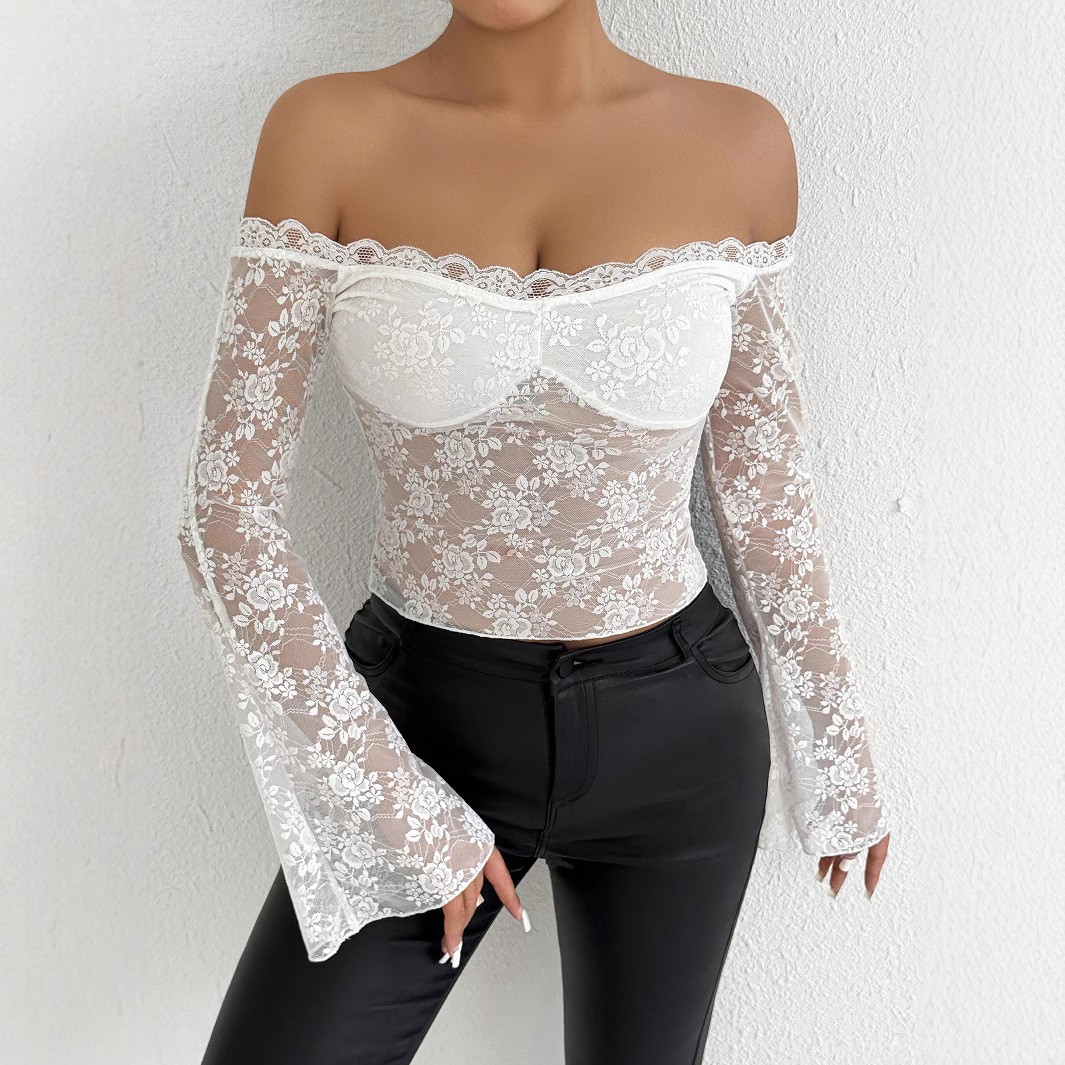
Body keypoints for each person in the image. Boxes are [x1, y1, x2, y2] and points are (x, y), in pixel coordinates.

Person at [177, 2, 893, 1062]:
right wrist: (399, 809)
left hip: (681, 733)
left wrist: (836, 752)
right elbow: (224, 511)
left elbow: (764, 490)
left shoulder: (738, 139)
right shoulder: (327, 132)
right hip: (423, 725)